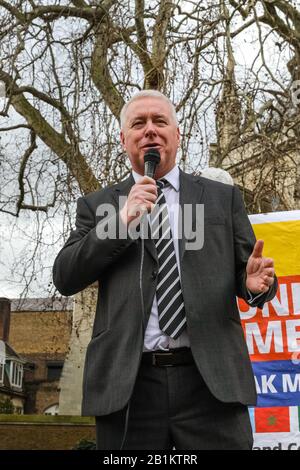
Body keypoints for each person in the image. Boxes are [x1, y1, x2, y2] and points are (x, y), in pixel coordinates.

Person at [53, 90, 277, 450]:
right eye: (138, 123)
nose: (150, 131)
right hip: (130, 389)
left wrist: (252, 284)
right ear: (124, 138)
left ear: (177, 134)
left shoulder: (221, 198)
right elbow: (65, 276)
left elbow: (256, 278)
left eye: (160, 121)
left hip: (210, 385)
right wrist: (122, 221)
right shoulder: (100, 206)